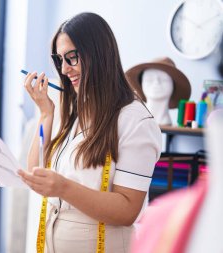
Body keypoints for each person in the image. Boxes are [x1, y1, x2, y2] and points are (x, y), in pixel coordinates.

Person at [18, 12, 162, 253]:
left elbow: (127, 211)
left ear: (99, 54)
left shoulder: (135, 121)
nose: (64, 69)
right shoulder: (75, 111)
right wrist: (45, 114)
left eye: (72, 58)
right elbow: (37, 172)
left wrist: (63, 188)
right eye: (59, 59)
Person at [125, 57, 191, 125]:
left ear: (173, 86)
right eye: (149, 79)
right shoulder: (131, 120)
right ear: (142, 84)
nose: (156, 83)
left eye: (164, 79)